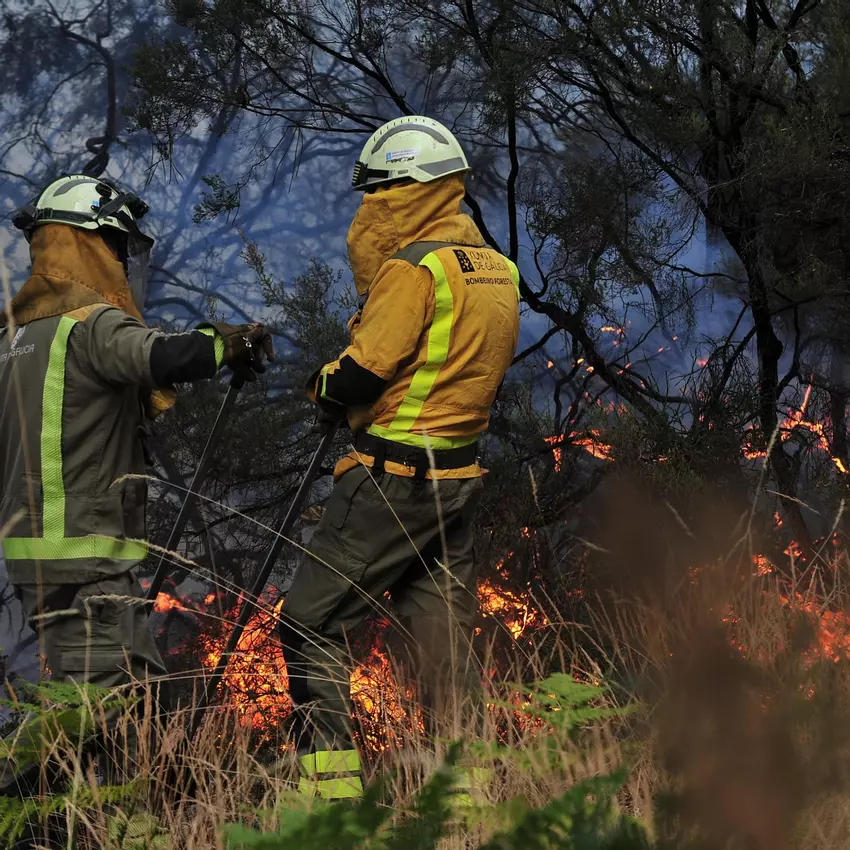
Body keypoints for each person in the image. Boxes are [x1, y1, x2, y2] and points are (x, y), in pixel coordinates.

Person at [0, 174, 274, 797]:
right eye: (115, 245)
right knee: (90, 714)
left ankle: (135, 817)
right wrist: (227, 344)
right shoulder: (88, 324)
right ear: (83, 243)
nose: (123, 260)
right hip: (86, 557)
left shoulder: (15, 336)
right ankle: (21, 814)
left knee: (140, 698)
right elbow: (161, 357)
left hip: (40, 556)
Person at [279, 116, 521, 800]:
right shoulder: (497, 269)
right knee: (444, 643)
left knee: (308, 624)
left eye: (379, 191)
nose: (371, 207)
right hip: (457, 480)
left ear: (408, 189)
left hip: (391, 482)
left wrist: (323, 386)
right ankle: (469, 798)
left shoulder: (416, 268)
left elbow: (364, 372)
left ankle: (331, 799)